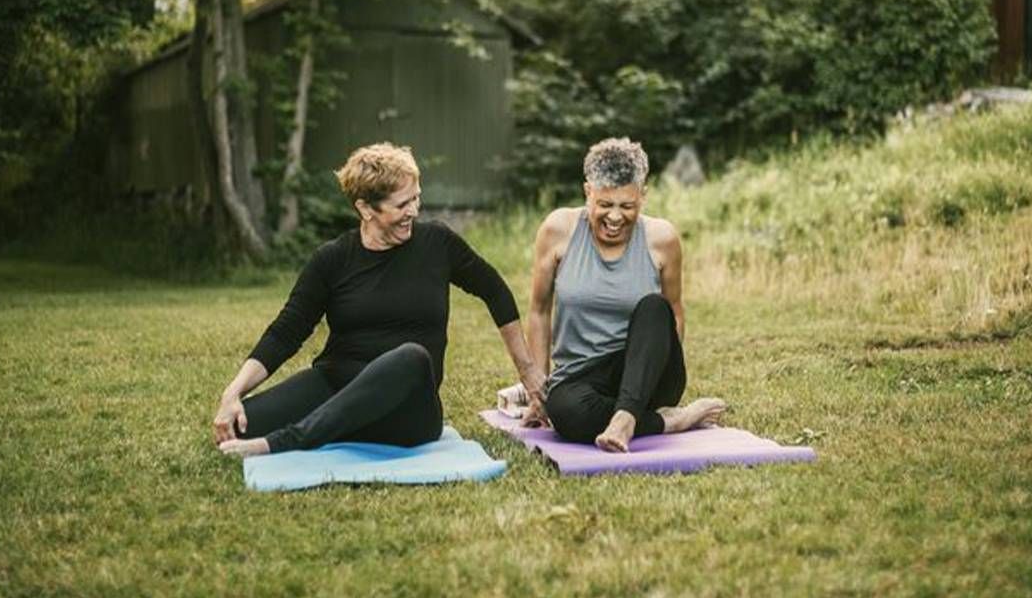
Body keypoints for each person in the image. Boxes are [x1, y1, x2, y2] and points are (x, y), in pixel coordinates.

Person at [213, 142, 547, 458]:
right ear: (365, 208)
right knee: (240, 426)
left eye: (416, 198)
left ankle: (291, 440)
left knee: (411, 356)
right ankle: (335, 425)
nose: (413, 211)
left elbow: (495, 291)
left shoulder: (437, 243)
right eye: (402, 204)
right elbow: (285, 332)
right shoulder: (332, 259)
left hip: (408, 408)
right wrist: (234, 392)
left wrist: (528, 372)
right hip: (338, 385)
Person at [522, 137, 725, 453]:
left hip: (644, 374)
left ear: (643, 197)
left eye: (627, 206)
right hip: (581, 378)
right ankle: (670, 422)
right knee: (565, 413)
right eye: (605, 205)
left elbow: (674, 317)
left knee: (655, 308)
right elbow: (538, 310)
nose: (615, 217)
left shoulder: (662, 239)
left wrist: (650, 378)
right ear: (588, 191)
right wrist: (537, 391)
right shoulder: (557, 230)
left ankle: (628, 417)